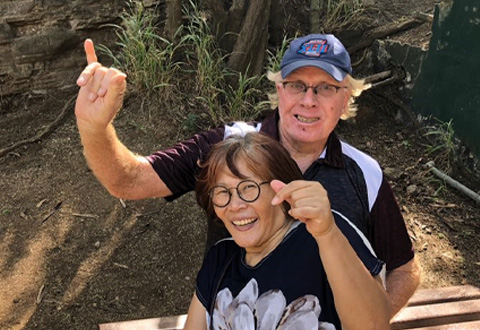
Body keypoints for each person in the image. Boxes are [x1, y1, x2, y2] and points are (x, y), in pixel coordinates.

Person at [75, 33, 420, 317]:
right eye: (296, 84)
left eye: (326, 88)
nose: (309, 100)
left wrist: (357, 319)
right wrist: (94, 127)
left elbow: (405, 270)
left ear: (346, 100)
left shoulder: (365, 173)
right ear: (279, 91)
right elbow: (128, 180)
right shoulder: (226, 146)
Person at [183, 132, 390, 330]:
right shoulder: (220, 259)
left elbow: (375, 326)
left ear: (281, 190)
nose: (235, 205)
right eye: (222, 192)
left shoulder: (323, 234)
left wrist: (327, 233)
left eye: (248, 188)